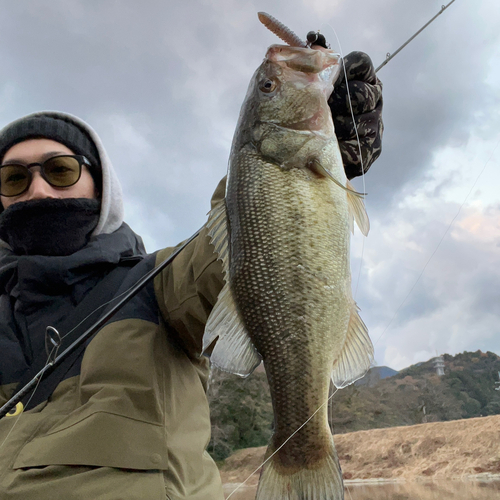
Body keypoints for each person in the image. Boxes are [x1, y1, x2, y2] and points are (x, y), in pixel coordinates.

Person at [0, 50, 383, 499]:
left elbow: (231, 256)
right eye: (12, 178)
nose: (38, 189)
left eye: (60, 170)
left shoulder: (155, 281)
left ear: (102, 187)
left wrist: (336, 155)